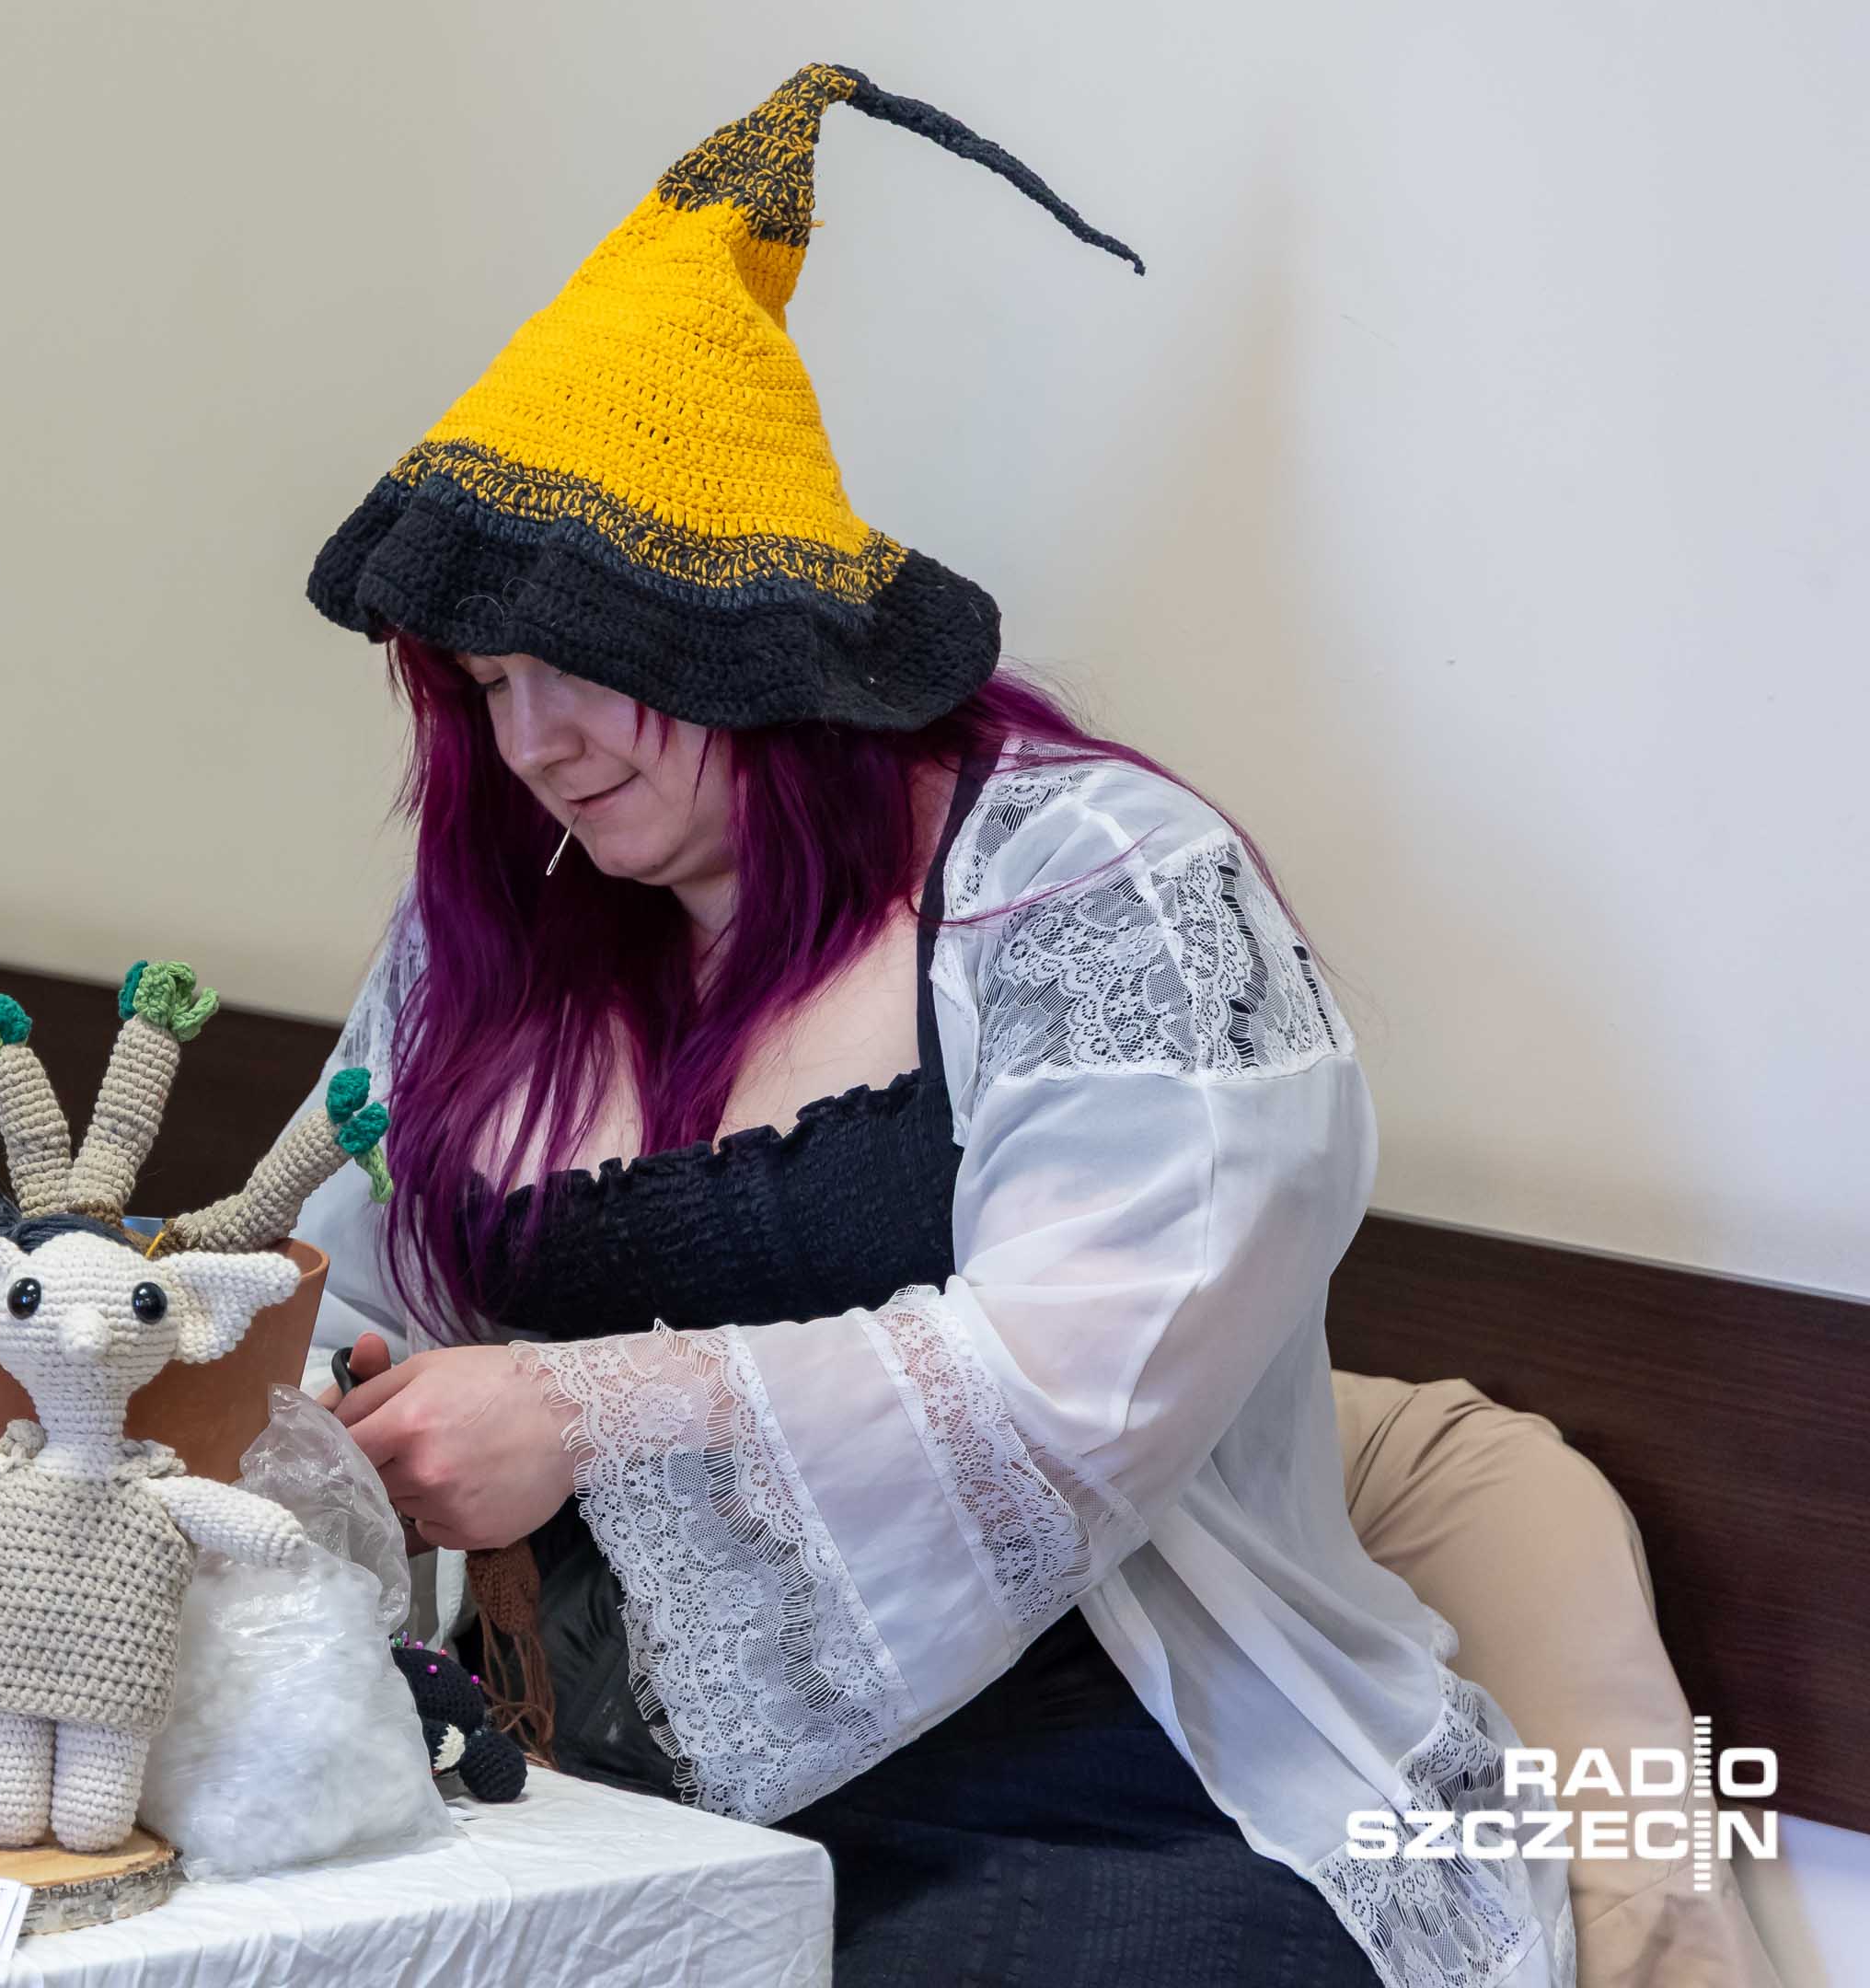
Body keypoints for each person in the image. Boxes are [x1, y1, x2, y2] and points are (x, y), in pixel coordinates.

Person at [287, 64, 1573, 1988]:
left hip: (1139, 1793)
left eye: (583, 669)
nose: (534, 742)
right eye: (485, 683)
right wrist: (294, 1392)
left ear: (750, 638)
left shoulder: (1094, 890)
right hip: (613, 1793)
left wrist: (575, 1412)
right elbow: (338, 1265)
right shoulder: (497, 935)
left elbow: (1080, 1385)